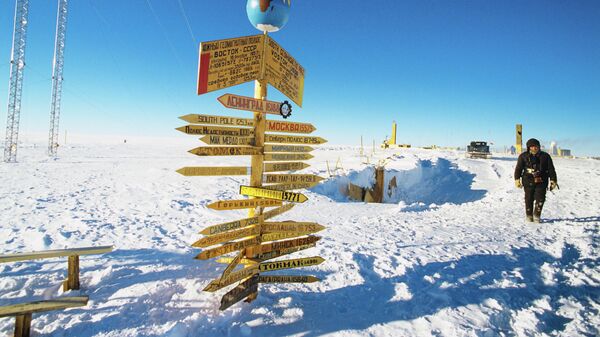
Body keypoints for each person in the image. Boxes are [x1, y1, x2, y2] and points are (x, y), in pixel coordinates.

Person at [514, 138, 558, 222]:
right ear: (528, 147)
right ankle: (529, 216)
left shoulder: (545, 156)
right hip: (528, 180)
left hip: (542, 180)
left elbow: (551, 169)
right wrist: (517, 179)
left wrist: (553, 180)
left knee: (540, 198)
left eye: (536, 146)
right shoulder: (523, 156)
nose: (534, 148)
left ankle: (537, 216)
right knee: (528, 198)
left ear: (539, 146)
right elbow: (518, 169)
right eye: (532, 146)